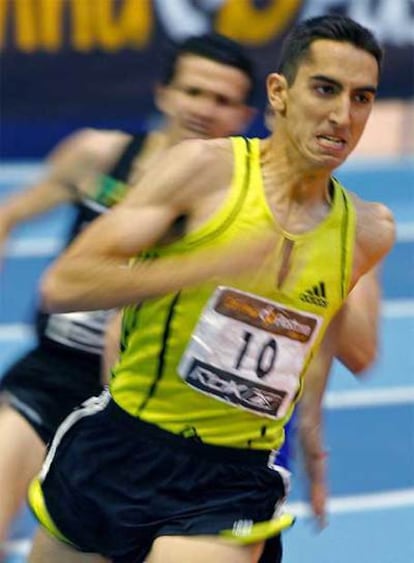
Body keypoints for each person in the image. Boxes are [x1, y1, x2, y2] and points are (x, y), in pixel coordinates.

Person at [28, 14, 396, 563]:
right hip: (122, 445)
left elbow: (319, 329)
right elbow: (63, 284)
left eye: (362, 97)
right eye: (325, 89)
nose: (343, 116)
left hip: (232, 479)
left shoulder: (367, 231)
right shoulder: (204, 171)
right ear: (279, 92)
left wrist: (313, 430)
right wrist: (203, 266)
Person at [0, 32, 257, 544]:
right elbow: (9, 216)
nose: (205, 109)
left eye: (223, 100)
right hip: (53, 375)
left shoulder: (240, 205)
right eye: (194, 92)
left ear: (245, 116)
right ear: (163, 93)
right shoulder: (98, 156)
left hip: (148, 406)